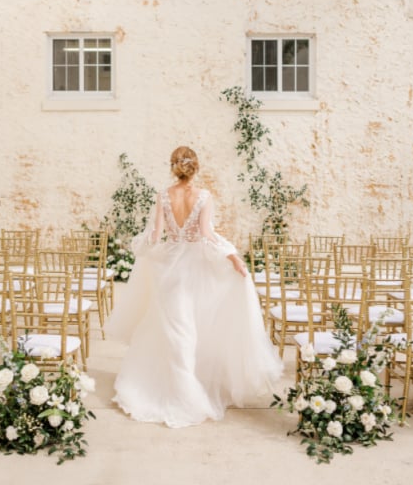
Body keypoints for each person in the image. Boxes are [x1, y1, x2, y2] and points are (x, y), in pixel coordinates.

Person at [105, 145, 283, 428]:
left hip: (170, 270)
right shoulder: (203, 196)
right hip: (193, 268)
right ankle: (184, 392)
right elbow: (206, 234)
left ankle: (177, 386)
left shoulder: (163, 195)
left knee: (176, 329)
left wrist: (143, 245)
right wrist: (233, 256)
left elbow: (156, 234)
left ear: (173, 166)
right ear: (195, 167)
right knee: (188, 328)